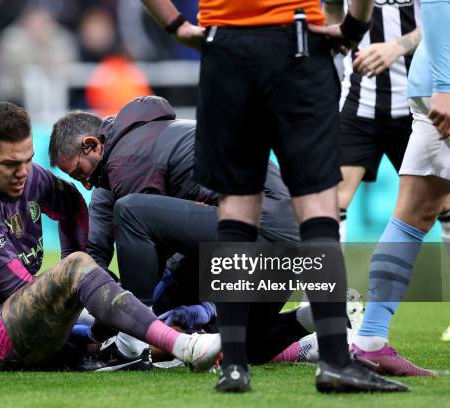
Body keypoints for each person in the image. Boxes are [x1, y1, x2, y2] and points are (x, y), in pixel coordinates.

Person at [140, 0, 408, 393]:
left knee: (235, 212)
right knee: (317, 209)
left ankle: (232, 366)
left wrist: (178, 26)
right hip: (296, 45)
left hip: (224, 49)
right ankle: (335, 360)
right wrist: (354, 25)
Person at [48, 96, 362, 368]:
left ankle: (130, 346)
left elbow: (152, 248)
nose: (85, 185)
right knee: (237, 344)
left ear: (92, 145)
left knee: (131, 214)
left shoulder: (127, 158)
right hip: (287, 242)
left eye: (80, 173)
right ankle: (315, 316)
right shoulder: (139, 143)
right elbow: (104, 252)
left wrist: (116, 325)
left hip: (261, 229)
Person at [0, 101, 222, 373]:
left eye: (27, 159)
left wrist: (94, 293)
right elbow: (15, 291)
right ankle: (184, 346)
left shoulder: (28, 177)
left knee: (113, 321)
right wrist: (82, 289)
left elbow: (72, 204)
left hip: (21, 323)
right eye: (10, 165)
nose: (23, 172)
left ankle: (202, 342)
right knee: (87, 282)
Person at [349, 0, 450, 376]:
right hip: (443, 85)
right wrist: (446, 86)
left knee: (415, 213)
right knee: (413, 213)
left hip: (433, 81)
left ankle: (370, 339)